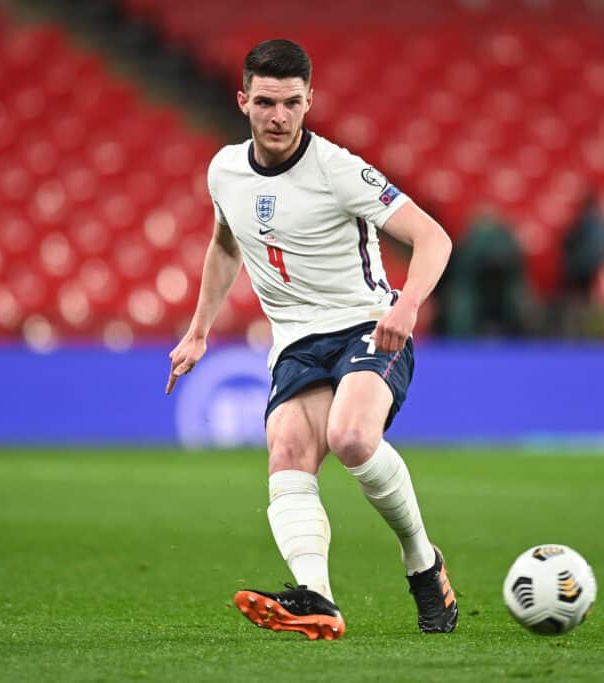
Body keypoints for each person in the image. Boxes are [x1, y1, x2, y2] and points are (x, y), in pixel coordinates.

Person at [164, 39, 456, 640]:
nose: (280, 117)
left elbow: (434, 238)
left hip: (367, 324)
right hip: (297, 342)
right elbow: (226, 242)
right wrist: (198, 332)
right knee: (287, 454)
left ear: (309, 101)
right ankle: (316, 598)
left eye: (293, 103)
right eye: (267, 102)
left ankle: (423, 563)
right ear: (243, 100)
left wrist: (405, 306)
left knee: (350, 437)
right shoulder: (224, 170)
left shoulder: (338, 170)